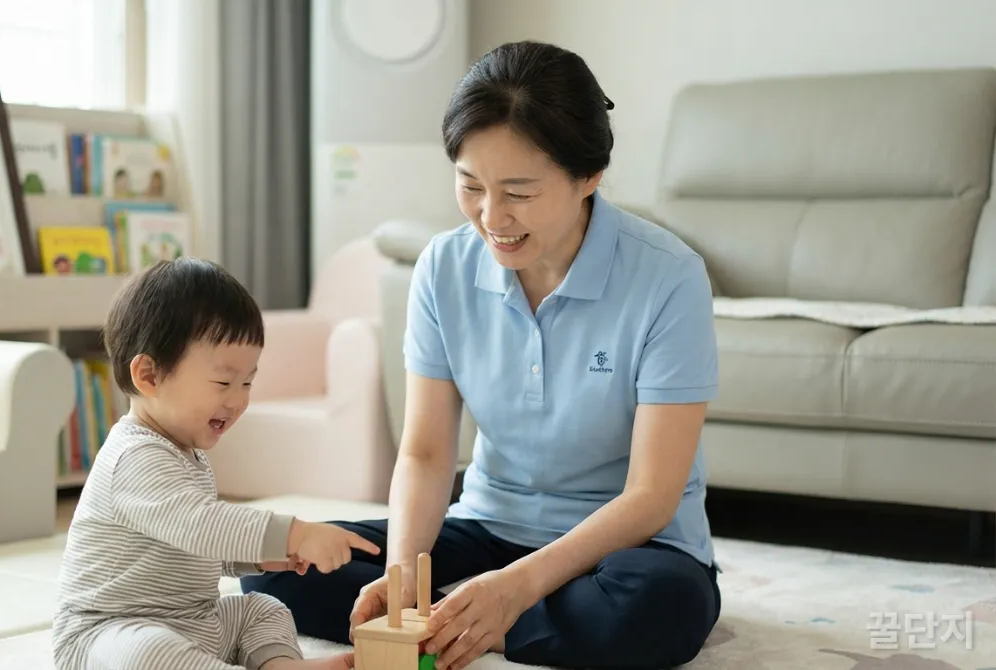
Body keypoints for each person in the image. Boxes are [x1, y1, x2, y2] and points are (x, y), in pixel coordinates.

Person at [241, 40, 722, 670]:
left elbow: (652, 497)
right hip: (490, 526)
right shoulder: (443, 266)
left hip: (629, 547)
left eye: (519, 192)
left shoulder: (669, 277)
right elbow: (426, 450)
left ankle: (480, 619)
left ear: (589, 177)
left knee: (656, 608)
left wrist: (515, 588)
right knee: (281, 571)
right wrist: (403, 579)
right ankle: (467, 616)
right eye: (471, 186)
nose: (492, 217)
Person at [51, 258, 382, 670]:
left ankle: (282, 665)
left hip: (192, 620)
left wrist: (261, 559)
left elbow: (197, 548)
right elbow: (200, 525)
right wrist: (292, 534)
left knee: (262, 608)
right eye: (224, 383)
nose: (239, 399)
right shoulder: (133, 457)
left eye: (247, 382)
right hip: (109, 632)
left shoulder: (188, 455)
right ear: (149, 376)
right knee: (148, 653)